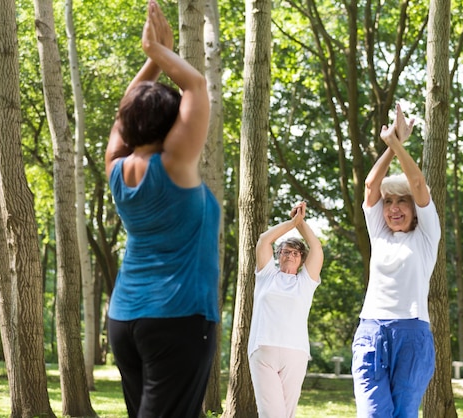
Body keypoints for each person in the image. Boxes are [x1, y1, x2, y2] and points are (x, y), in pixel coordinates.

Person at [104, 1, 220, 416]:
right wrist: (157, 52)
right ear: (173, 125)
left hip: (125, 320)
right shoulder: (175, 166)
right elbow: (196, 87)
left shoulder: (117, 167)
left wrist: (153, 60)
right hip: (177, 317)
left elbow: (126, 114)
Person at [351, 103, 441, 417]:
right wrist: (391, 146)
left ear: (415, 208)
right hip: (372, 332)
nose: (393, 208)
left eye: (402, 201)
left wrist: (397, 144)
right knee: (374, 414)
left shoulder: (427, 236)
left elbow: (418, 185)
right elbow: (370, 186)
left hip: (413, 334)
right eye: (389, 202)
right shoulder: (379, 233)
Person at [248, 201, 323, 418]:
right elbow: (264, 240)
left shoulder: (306, 282)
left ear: (301, 260)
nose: (289, 255)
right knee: (271, 414)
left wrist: (302, 224)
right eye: (285, 251)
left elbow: (316, 247)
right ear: (278, 255)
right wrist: (292, 223)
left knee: (286, 414)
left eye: (295, 253)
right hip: (263, 349)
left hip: (295, 353)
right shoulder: (266, 276)